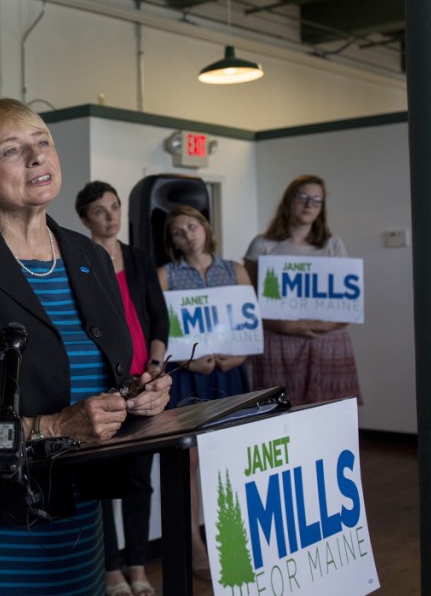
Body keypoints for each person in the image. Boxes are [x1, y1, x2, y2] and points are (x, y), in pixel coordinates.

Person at [0, 98, 172, 596]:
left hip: (78, 517)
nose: (37, 157)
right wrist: (57, 426)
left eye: (42, 143)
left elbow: (97, 376)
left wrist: (136, 395)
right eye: (12, 150)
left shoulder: (90, 257)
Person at [75, 181, 168, 596]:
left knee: (138, 481)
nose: (111, 216)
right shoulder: (78, 260)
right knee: (102, 484)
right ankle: (110, 570)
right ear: (84, 218)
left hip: (142, 384)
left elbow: (158, 319)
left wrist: (152, 365)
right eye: (100, 210)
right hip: (100, 388)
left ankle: (138, 566)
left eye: (115, 207)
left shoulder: (139, 257)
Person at [157, 204, 252, 580]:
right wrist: (186, 361)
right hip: (189, 375)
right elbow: (161, 328)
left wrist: (240, 354)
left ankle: (229, 539)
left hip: (229, 374)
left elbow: (249, 322)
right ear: (173, 241)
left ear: (206, 229)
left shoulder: (236, 269)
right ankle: (195, 545)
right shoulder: (166, 274)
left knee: (230, 458)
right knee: (192, 461)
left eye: (192, 226)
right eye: (179, 232)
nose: (188, 235)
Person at [243, 175, 362, 406]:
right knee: (279, 414)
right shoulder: (263, 244)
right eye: (303, 197)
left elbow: (348, 305)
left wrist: (329, 325)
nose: (310, 205)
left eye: (317, 200)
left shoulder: (333, 244)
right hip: (278, 341)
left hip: (327, 342)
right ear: (289, 200)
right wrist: (285, 326)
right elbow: (247, 303)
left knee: (330, 413)